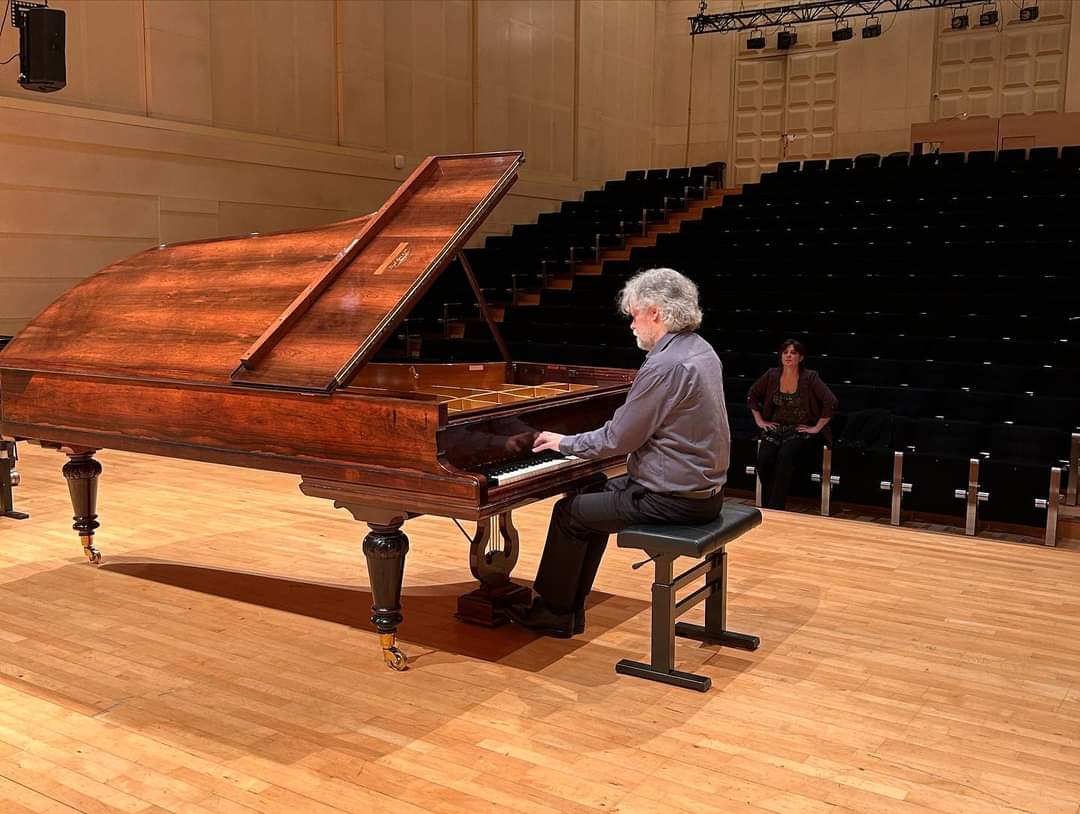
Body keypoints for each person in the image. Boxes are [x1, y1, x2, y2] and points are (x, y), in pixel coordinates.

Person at [507, 268, 730, 638]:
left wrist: (563, 442)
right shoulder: (700, 349)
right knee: (589, 489)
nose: (632, 324)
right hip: (703, 489)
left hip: (674, 499)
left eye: (634, 314)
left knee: (569, 513)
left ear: (655, 312)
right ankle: (567, 607)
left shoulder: (665, 364)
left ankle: (556, 612)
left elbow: (618, 439)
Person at [747, 339, 838, 510]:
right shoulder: (772, 375)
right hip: (776, 428)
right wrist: (760, 421)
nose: (788, 355)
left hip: (799, 430)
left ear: (801, 357)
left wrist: (816, 427)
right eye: (785, 352)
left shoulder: (810, 377)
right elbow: (752, 395)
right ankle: (766, 505)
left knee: (784, 456)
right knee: (764, 458)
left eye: (793, 352)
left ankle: (777, 507)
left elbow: (831, 402)